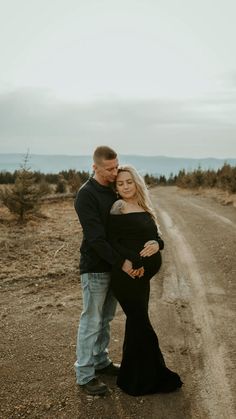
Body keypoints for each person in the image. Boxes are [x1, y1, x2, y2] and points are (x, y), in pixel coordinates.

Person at [74, 146, 154, 396]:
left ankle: (101, 361)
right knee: (92, 320)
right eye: (109, 169)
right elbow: (96, 239)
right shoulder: (86, 195)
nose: (114, 171)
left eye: (116, 166)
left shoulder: (112, 188)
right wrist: (123, 262)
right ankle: (85, 375)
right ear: (94, 166)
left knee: (106, 318)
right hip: (96, 267)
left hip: (114, 267)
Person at [108, 165, 183, 396]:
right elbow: (113, 241)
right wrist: (134, 261)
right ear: (116, 188)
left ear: (136, 182)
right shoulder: (118, 207)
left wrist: (157, 245)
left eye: (129, 181)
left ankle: (132, 376)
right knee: (141, 323)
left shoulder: (143, 205)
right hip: (126, 276)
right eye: (120, 183)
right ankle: (152, 376)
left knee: (136, 323)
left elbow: (157, 237)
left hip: (142, 278)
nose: (125, 186)